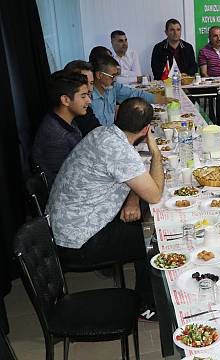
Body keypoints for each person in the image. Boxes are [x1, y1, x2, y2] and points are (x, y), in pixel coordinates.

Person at [47, 97, 165, 320]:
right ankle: (147, 305)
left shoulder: (102, 133)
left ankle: (146, 296)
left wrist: (132, 199)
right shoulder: (121, 152)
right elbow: (155, 194)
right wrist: (156, 154)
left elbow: (129, 176)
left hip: (62, 226)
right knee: (155, 242)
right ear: (146, 129)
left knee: (144, 225)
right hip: (80, 241)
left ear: (116, 116)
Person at [32, 71, 90, 185]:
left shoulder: (66, 121)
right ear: (65, 100)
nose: (89, 100)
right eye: (83, 96)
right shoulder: (56, 137)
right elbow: (64, 182)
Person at [92, 54, 169, 126]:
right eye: (112, 76)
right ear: (99, 75)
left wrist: (162, 99)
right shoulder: (88, 97)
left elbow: (135, 94)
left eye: (116, 76)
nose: (115, 79)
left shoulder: (113, 87)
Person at [63, 60, 101, 136]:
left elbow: (99, 132)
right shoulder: (58, 132)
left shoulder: (86, 109)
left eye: (91, 83)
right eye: (85, 83)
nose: (90, 89)